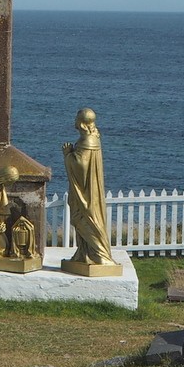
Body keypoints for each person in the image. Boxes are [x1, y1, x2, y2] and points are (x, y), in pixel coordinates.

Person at [62, 108, 114, 266]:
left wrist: (68, 155)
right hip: (86, 189)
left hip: (86, 194)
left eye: (77, 118)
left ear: (81, 123)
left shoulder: (88, 141)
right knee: (83, 220)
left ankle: (100, 255)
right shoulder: (90, 138)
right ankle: (85, 253)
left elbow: (81, 166)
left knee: (84, 219)